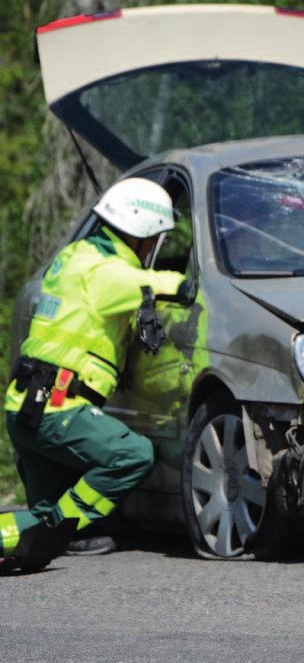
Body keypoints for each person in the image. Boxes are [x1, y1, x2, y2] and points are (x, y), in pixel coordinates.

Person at [0, 177, 192, 573]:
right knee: (132, 455)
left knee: (57, 513)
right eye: (158, 240)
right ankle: (53, 529)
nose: (158, 250)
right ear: (142, 235)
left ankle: (59, 528)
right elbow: (165, 285)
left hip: (25, 410)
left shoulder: (74, 256)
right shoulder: (107, 274)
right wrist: (191, 283)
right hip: (59, 411)